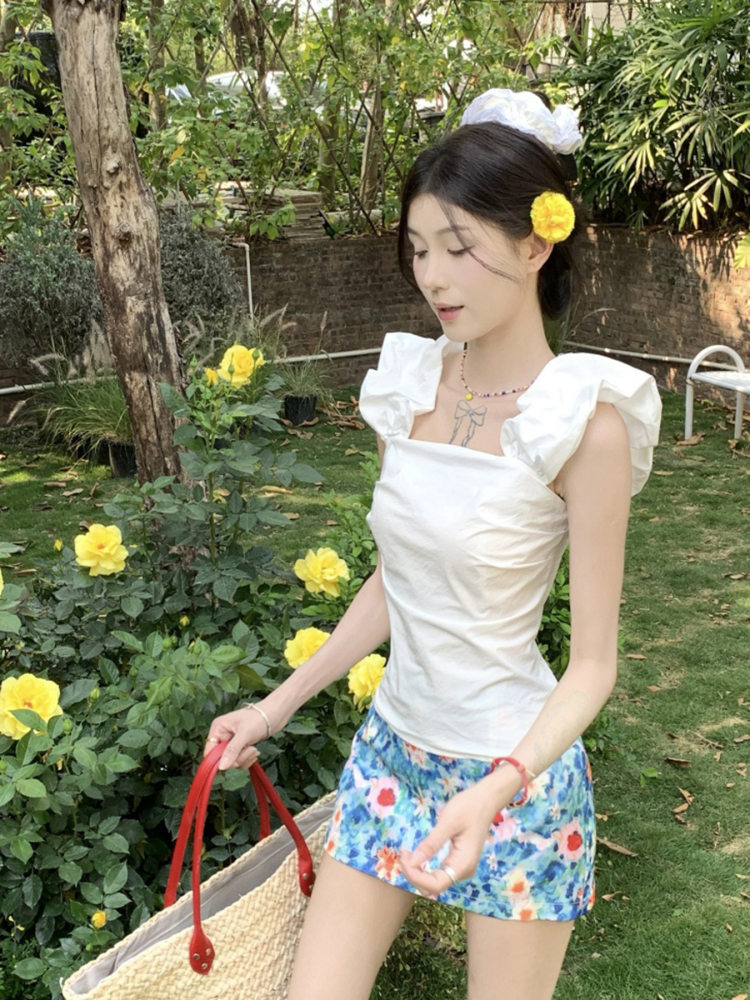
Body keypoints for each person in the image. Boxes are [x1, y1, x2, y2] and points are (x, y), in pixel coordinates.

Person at [202, 87, 663, 1000]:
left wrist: (496, 789)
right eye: (418, 249)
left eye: (459, 247)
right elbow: (395, 582)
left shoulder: (585, 424)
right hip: (392, 758)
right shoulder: (408, 388)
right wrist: (273, 709)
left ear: (536, 245)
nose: (433, 277)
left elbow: (593, 669)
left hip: (516, 782)